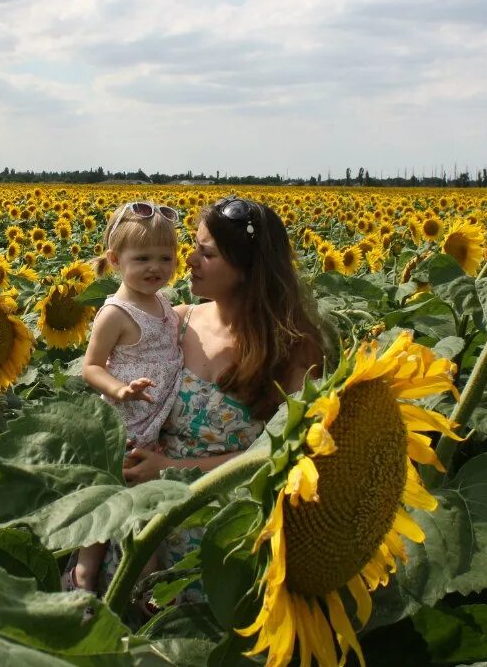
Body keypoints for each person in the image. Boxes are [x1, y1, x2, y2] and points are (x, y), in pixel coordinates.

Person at [121, 195, 328, 578]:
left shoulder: (293, 348)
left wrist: (171, 469)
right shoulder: (175, 322)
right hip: (144, 523)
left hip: (224, 538)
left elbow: (287, 454)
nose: (191, 261)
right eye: (194, 248)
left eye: (208, 254)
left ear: (248, 268)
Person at [67, 200, 185, 592]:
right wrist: (121, 389)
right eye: (143, 258)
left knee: (140, 510)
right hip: (124, 424)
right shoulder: (115, 313)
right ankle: (82, 576)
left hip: (152, 427)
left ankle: (145, 588)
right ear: (116, 260)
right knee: (107, 503)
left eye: (165, 258)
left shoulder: (163, 302)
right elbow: (91, 367)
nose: (156, 268)